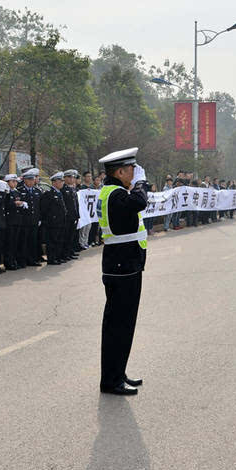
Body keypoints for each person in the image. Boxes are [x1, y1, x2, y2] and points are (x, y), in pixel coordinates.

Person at [96, 147, 148, 395]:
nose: (134, 173)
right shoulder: (116, 195)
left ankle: (118, 372)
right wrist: (141, 184)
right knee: (119, 326)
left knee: (122, 324)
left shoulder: (113, 192)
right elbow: (139, 202)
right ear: (119, 171)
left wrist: (136, 183)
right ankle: (111, 380)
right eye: (131, 169)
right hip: (122, 266)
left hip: (122, 265)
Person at [40, 172, 68, 266]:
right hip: (52, 223)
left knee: (59, 240)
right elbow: (44, 209)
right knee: (52, 241)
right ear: (54, 182)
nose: (62, 183)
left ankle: (58, 257)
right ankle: (52, 258)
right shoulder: (48, 194)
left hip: (60, 222)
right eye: (60, 181)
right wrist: (48, 220)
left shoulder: (59, 193)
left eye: (62, 181)